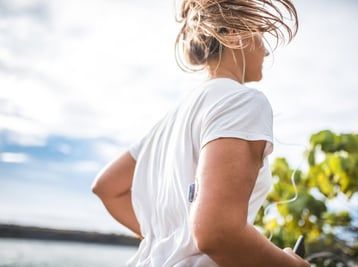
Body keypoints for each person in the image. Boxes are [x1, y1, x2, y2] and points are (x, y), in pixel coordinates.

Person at [92, 0, 310, 266]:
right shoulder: (241, 101)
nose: (264, 51)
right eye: (260, 34)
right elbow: (218, 233)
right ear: (231, 32)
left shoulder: (169, 121)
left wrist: (171, 241)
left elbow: (107, 187)